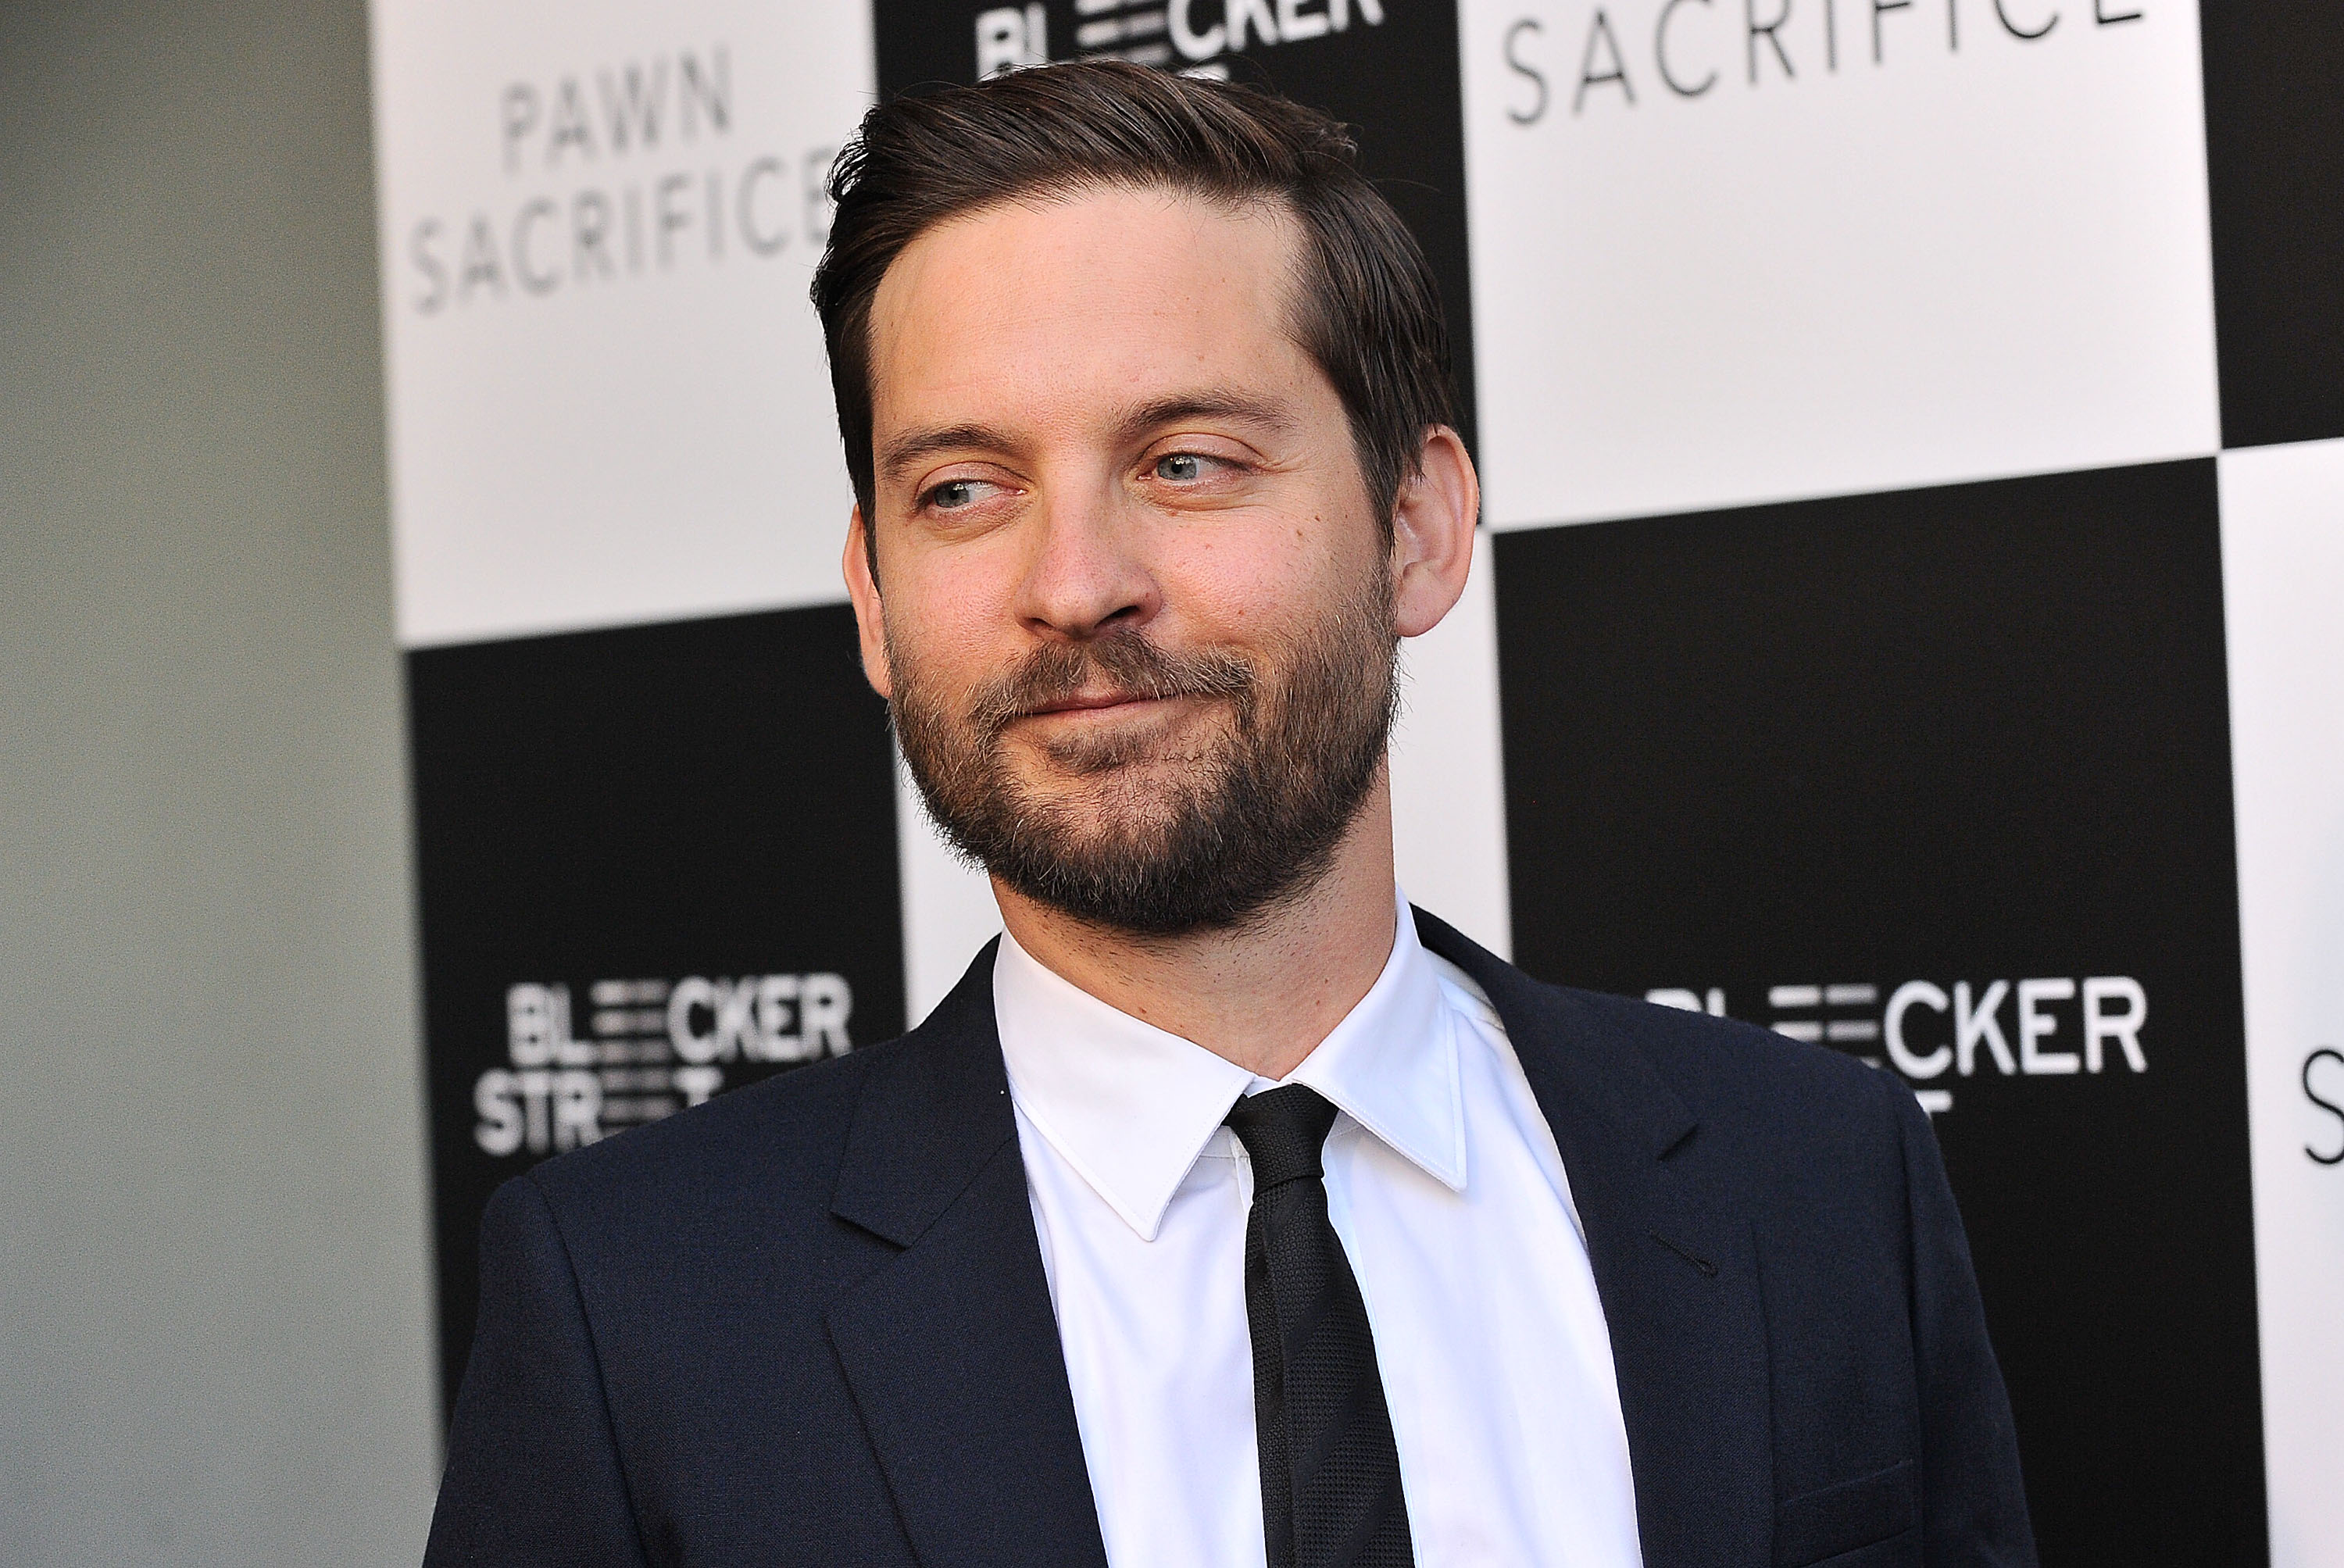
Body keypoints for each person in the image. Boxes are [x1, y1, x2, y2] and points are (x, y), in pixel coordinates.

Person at [422, 61, 2036, 1568]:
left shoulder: (1817, 1182)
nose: (1074, 586)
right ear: (871, 594)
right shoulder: (638, 1311)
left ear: (1416, 525)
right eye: (963, 491)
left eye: (1186, 461)